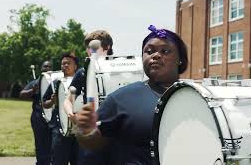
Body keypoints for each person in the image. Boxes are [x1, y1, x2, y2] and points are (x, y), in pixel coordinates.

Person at [75, 25, 188, 165]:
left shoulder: (197, 100)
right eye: (149, 51)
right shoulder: (120, 99)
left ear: (180, 59)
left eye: (165, 51)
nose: (156, 55)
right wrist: (85, 131)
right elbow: (94, 145)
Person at [63, 30, 114, 165]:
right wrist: (71, 114)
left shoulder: (120, 67)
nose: (90, 51)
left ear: (107, 47)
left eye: (94, 47)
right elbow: (68, 99)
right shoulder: (83, 71)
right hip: (91, 130)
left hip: (116, 130)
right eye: (88, 48)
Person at [42, 53, 79, 165]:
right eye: (63, 63)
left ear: (75, 66)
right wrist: (52, 101)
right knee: (58, 160)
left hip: (78, 129)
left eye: (68, 63)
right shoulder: (56, 83)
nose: (65, 65)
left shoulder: (83, 81)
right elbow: (45, 103)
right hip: (59, 128)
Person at [19, 60, 53, 165]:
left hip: (53, 118)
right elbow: (22, 94)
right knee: (40, 143)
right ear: (41, 69)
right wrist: (32, 91)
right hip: (38, 117)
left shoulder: (56, 82)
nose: (47, 69)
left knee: (53, 143)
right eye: (44, 67)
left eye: (49, 67)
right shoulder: (36, 82)